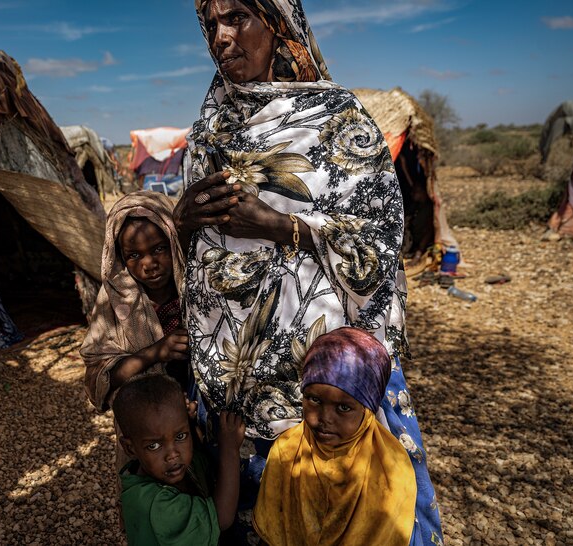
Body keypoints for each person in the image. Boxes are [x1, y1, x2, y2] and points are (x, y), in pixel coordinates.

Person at [174, 0, 443, 543]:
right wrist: (181, 221)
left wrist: (277, 224)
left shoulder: (337, 120)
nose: (221, 36)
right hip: (233, 381)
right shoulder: (208, 130)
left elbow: (378, 239)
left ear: (277, 24)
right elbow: (195, 253)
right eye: (210, 24)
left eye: (237, 18)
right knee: (253, 518)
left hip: (320, 380)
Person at [253, 327, 417, 546]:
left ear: (368, 410)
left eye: (343, 407)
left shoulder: (390, 468)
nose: (325, 418)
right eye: (314, 400)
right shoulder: (288, 449)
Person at [81, 191, 191, 467]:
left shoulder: (197, 291)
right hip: (149, 435)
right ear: (119, 257)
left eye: (158, 249)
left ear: (173, 240)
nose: (149, 264)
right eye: (133, 255)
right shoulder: (114, 303)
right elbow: (99, 377)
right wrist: (155, 353)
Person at [113, 374, 245, 546]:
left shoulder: (158, 469)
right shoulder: (155, 504)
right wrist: (230, 449)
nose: (172, 455)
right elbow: (222, 518)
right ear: (130, 448)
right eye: (153, 446)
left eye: (181, 436)